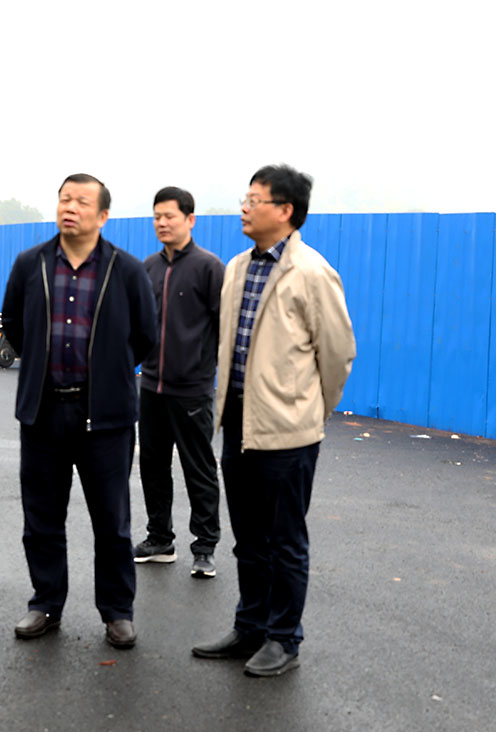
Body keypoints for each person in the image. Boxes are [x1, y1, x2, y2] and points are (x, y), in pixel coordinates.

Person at [192, 165, 355, 676]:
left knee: (285, 540)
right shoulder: (237, 267)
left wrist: (310, 412)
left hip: (289, 431)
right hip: (239, 422)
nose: (244, 208)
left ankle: (284, 639)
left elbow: (338, 354)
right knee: (248, 537)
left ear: (285, 210)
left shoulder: (312, 272)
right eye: (245, 198)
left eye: (254, 200)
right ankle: (250, 627)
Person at [0, 174, 157, 649]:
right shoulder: (30, 264)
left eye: (82, 201)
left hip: (104, 418)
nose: (70, 207)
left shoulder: (126, 270)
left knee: (112, 522)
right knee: (42, 518)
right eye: (64, 199)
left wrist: (106, 374)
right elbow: (15, 326)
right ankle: (45, 603)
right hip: (43, 411)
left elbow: (145, 336)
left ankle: (117, 612)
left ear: (103, 215)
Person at [135, 186, 225, 578]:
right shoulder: (148, 268)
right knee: (153, 466)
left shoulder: (209, 268)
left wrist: (205, 372)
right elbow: (139, 325)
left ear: (190, 219)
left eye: (169, 216)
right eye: (157, 216)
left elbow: (224, 327)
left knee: (198, 469)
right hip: (151, 388)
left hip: (192, 391)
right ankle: (160, 540)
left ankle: (204, 547)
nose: (162, 223)